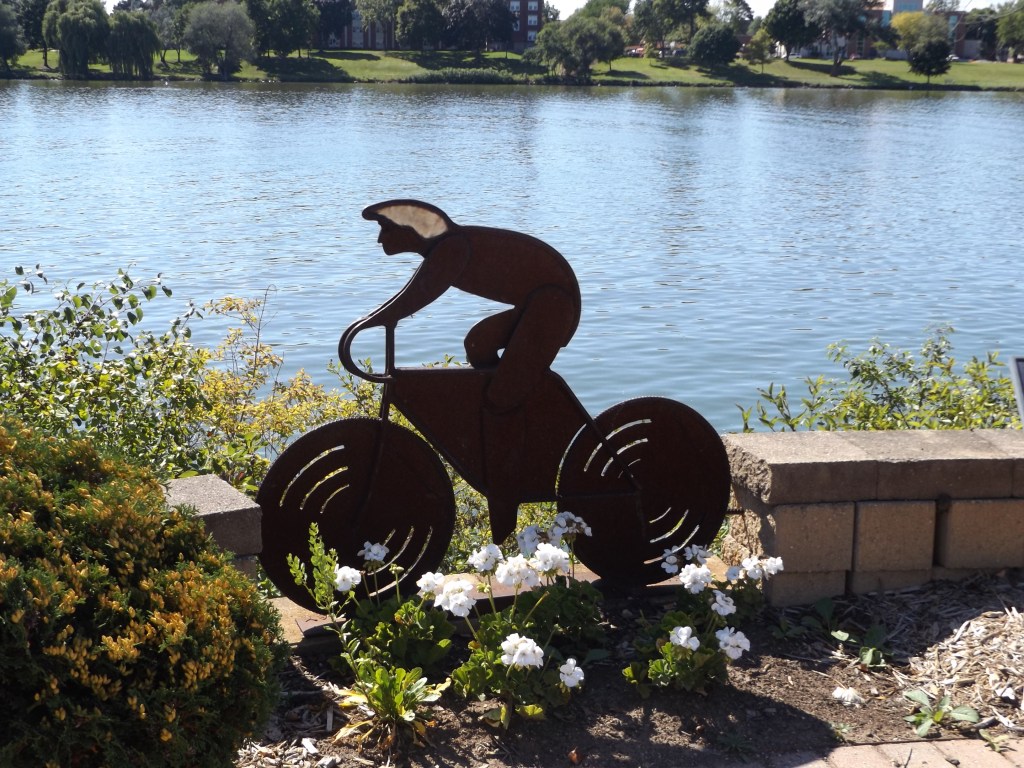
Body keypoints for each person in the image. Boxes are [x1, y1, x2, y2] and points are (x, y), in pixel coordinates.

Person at [359, 199, 582, 542]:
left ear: (409, 228)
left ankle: (506, 501)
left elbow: (417, 296)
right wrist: (375, 321)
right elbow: (412, 294)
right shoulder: (446, 247)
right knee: (478, 346)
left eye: (385, 229)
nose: (380, 239)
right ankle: (519, 418)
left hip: (552, 306)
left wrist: (371, 323)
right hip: (538, 303)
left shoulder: (452, 247)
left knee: (500, 399)